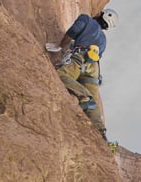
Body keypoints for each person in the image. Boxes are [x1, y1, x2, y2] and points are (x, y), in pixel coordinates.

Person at [46, 9, 118, 139]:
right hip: (93, 67)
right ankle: (100, 130)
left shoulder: (87, 19)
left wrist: (60, 46)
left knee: (62, 75)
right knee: (94, 100)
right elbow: (98, 56)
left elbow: (74, 30)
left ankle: (85, 97)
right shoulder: (103, 40)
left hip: (80, 57)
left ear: (102, 14)